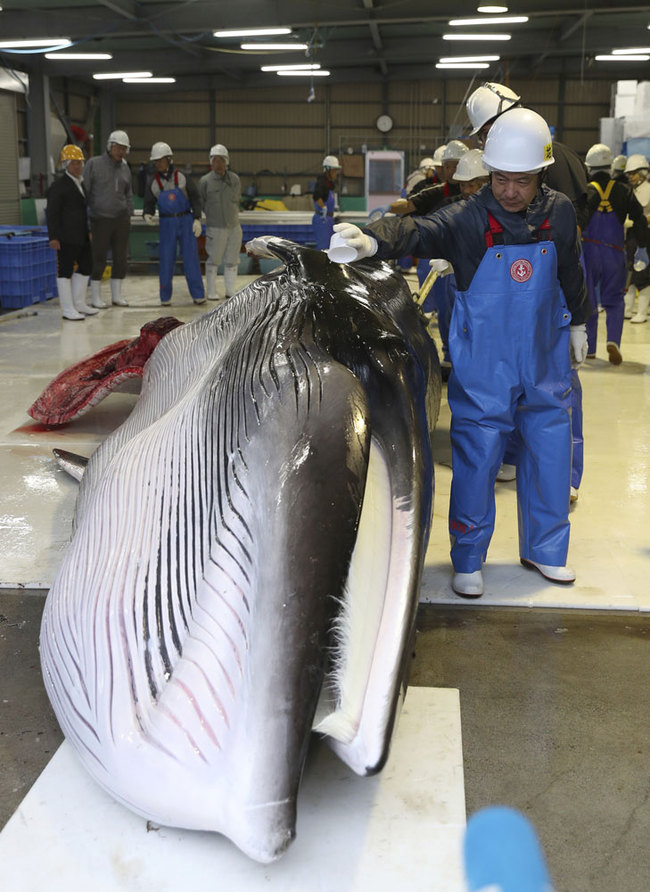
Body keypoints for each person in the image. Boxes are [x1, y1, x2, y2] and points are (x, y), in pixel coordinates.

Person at [330, 108, 591, 598]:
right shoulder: (468, 217)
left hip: (545, 356)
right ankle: (468, 558)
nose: (510, 191)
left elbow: (572, 270)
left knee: (551, 452)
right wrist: (371, 240)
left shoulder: (558, 212)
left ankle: (547, 550)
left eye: (522, 181)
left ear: (541, 174)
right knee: (478, 457)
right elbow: (418, 231)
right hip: (486, 364)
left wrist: (579, 320)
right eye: (500, 179)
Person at [466, 81, 589, 229]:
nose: (487, 144)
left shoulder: (555, 157)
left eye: (489, 133)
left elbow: (574, 223)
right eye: (483, 137)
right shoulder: (506, 165)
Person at [582, 143, 648, 363]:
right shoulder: (624, 190)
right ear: (610, 166)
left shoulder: (586, 190)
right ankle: (613, 341)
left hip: (588, 252)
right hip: (614, 253)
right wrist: (644, 247)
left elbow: (575, 220)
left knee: (588, 300)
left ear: (589, 167)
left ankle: (589, 348)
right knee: (615, 300)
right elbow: (639, 218)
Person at [143, 141, 205, 306]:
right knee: (166, 259)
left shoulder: (183, 177)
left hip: (186, 220)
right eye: (155, 161)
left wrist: (197, 218)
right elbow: (148, 202)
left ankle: (198, 294)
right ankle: (165, 297)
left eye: (160, 160)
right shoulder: (153, 182)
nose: (157, 164)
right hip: (166, 223)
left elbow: (195, 198)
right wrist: (147, 214)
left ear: (169, 159)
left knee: (191, 258)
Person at [46, 144, 98, 321]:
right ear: (66, 164)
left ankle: (79, 303)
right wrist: (53, 236)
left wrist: (88, 230)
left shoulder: (80, 183)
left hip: (81, 236)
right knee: (65, 271)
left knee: (86, 267)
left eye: (80, 163)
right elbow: (52, 213)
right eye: (74, 163)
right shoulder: (58, 187)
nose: (78, 166)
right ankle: (67, 309)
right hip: (65, 237)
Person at [83, 129, 133, 308]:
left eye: (124, 149)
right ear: (110, 146)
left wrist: (128, 211)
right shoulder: (93, 164)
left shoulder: (125, 167)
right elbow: (86, 191)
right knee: (99, 258)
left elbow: (128, 192)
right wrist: (87, 221)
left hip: (121, 219)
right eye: (119, 148)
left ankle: (117, 296)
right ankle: (96, 297)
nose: (121, 152)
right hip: (100, 219)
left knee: (121, 258)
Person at [199, 144, 242, 301]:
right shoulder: (205, 181)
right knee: (214, 260)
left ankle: (230, 291)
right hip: (215, 227)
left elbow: (236, 199)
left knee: (232, 260)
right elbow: (201, 201)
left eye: (221, 160)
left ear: (227, 161)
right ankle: (211, 291)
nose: (218, 164)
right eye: (215, 160)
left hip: (234, 226)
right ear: (211, 162)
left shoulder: (234, 180)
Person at [623, 153, 650, 323]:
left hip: (646, 238)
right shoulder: (630, 192)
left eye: (634, 173)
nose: (631, 177)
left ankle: (642, 311)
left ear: (643, 173)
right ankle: (628, 309)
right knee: (631, 273)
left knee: (644, 275)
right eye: (629, 174)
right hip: (632, 237)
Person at [312, 155, 341, 251]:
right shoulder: (322, 182)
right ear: (328, 170)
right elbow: (316, 196)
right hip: (322, 220)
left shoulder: (330, 183)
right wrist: (324, 207)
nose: (336, 173)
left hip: (328, 220)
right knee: (323, 248)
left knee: (330, 247)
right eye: (334, 170)